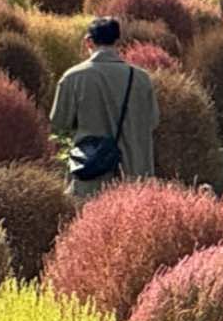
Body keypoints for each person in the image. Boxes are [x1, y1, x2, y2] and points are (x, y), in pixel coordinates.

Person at [50, 17, 157, 201]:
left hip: (91, 176)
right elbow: (152, 122)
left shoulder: (73, 77)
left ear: (88, 41)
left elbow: (59, 123)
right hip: (134, 177)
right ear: (118, 42)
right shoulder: (141, 78)